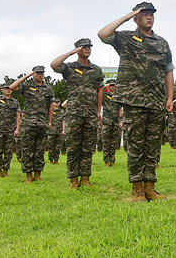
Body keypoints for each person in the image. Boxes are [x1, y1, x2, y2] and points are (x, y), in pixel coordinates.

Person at [98, 2, 175, 201]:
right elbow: (103, 34)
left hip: (156, 101)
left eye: (151, 14)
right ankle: (137, 188)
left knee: (152, 146)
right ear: (136, 18)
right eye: (144, 14)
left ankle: (150, 186)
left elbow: (168, 71)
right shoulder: (125, 38)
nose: (149, 17)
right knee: (135, 145)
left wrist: (169, 97)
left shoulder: (162, 42)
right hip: (133, 100)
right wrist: (127, 16)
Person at [50, 38, 104, 189]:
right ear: (78, 49)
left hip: (90, 113)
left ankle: (85, 178)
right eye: (84, 47)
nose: (87, 49)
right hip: (74, 113)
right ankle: (73, 179)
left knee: (88, 147)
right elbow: (54, 65)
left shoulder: (96, 69)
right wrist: (71, 52)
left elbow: (100, 91)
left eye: (89, 47)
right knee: (73, 147)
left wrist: (98, 110)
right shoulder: (70, 67)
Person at [9, 67, 53, 182]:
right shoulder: (27, 86)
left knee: (40, 150)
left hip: (42, 123)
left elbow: (50, 106)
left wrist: (49, 121)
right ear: (33, 74)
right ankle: (28, 175)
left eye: (41, 73)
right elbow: (12, 87)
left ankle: (37, 175)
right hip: (28, 122)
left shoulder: (48, 88)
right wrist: (27, 76)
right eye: (37, 73)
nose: (40, 75)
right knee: (27, 150)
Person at [101, 79, 122, 166]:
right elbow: (97, 93)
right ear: (108, 86)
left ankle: (112, 160)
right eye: (111, 85)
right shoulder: (105, 96)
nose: (112, 87)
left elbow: (120, 108)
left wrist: (120, 120)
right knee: (106, 142)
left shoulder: (118, 96)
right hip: (106, 121)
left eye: (114, 85)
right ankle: (106, 161)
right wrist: (104, 86)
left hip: (115, 121)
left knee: (113, 142)